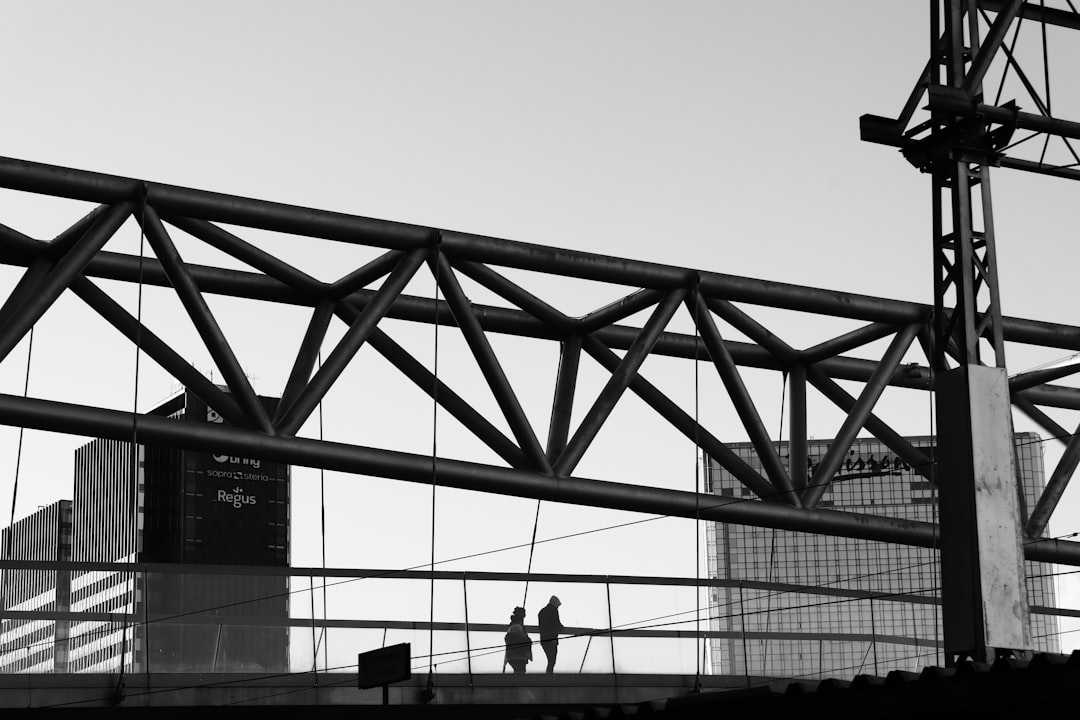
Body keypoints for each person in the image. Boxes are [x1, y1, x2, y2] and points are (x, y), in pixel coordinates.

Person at [537, 595, 564, 673]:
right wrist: (562, 628)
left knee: (550, 660)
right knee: (552, 660)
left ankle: (548, 675)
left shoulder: (542, 611)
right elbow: (556, 623)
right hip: (552, 640)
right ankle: (549, 676)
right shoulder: (553, 610)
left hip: (544, 639)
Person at [503, 606, 532, 674]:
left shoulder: (513, 625)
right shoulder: (517, 626)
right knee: (520, 673)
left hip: (513, 655)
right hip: (519, 655)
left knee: (518, 672)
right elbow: (521, 639)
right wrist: (528, 641)